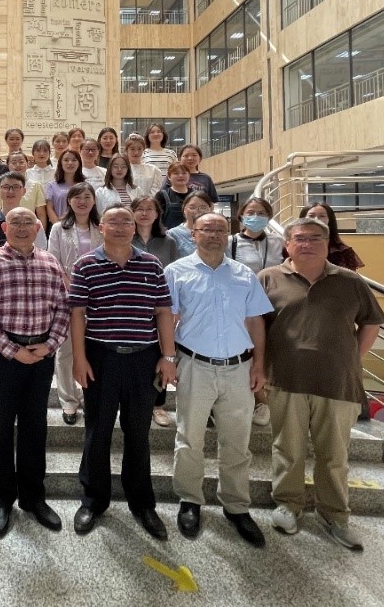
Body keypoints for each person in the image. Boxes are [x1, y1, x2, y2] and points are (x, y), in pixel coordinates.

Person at [259, 218, 384, 551]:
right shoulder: (268, 278)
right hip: (285, 379)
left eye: (316, 238)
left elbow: (371, 322)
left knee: (334, 455)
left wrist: (352, 358)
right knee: (288, 448)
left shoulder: (350, 281)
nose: (308, 244)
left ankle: (335, 515)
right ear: (287, 244)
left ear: (328, 244)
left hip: (337, 382)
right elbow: (255, 327)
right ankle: (288, 505)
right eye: (300, 238)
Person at [68, 205, 177, 540]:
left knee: (138, 434)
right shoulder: (85, 264)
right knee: (97, 432)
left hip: (144, 359)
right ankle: (93, 500)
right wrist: (79, 358)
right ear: (101, 227)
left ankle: (142, 503)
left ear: (134, 227)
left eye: (125, 221)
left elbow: (163, 311)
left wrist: (168, 356)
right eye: (112, 221)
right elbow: (77, 314)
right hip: (101, 358)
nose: (119, 226)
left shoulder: (152, 264)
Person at [166, 212, 273, 548]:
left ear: (228, 234)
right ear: (194, 234)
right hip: (194, 365)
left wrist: (259, 365)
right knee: (189, 438)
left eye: (220, 230)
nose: (213, 235)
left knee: (237, 442)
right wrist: (168, 359)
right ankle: (190, 500)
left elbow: (255, 322)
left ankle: (236, 505)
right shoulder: (176, 272)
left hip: (239, 368)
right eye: (206, 229)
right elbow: (168, 318)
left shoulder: (243, 274)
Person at [0, 207, 71, 537]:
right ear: (4, 227)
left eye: (29, 222)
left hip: (41, 353)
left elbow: (63, 308)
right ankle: (1, 500)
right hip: (2, 355)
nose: (23, 227)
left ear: (39, 227)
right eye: (16, 222)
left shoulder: (50, 262)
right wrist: (13, 350)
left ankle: (33, 498)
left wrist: (50, 344)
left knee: (35, 427)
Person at [47, 183, 101, 426]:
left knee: (96, 349)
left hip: (99, 295)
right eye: (77, 197)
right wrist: (73, 286)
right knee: (67, 349)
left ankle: (92, 396)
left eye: (87, 196)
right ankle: (69, 399)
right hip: (67, 294)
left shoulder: (101, 227)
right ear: (69, 201)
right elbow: (53, 261)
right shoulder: (59, 228)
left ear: (94, 201)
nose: (82, 201)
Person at [229, 197, 285, 429]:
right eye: (251, 212)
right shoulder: (231, 242)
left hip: (274, 304)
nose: (255, 217)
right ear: (241, 216)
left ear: (269, 217)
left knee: (270, 352)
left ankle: (269, 398)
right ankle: (260, 401)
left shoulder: (278, 242)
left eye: (261, 213)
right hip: (243, 307)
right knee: (249, 352)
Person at [130, 196, 180, 428]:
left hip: (160, 306)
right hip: (132, 306)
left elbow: (174, 274)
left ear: (157, 213)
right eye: (139, 209)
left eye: (149, 209)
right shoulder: (125, 238)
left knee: (162, 354)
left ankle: (158, 405)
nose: (144, 213)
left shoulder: (168, 241)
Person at [0, 172, 48, 258]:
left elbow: (41, 252)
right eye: (6, 187)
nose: (11, 191)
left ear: (24, 191)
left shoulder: (33, 222)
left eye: (16, 187)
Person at [300, 202, 364, 271]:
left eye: (322, 216)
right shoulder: (294, 248)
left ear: (329, 220)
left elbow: (349, 277)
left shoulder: (343, 252)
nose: (316, 220)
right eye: (311, 216)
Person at [0, 150, 48, 229]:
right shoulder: (0, 185)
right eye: (13, 163)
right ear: (7, 165)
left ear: (27, 164)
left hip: (29, 228)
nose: (18, 165)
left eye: (21, 162)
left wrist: (40, 232)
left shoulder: (36, 186)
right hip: (5, 228)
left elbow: (41, 214)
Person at [167, 191, 215, 257]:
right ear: (184, 209)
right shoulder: (173, 234)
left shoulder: (216, 232)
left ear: (209, 210)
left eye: (203, 208)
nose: (197, 211)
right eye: (192, 207)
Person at [44, 150, 85, 223]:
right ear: (60, 163)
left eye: (74, 160)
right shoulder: (51, 185)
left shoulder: (84, 186)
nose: (70, 163)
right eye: (66, 160)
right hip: (58, 225)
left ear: (79, 163)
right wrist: (58, 225)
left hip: (80, 225)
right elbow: (49, 207)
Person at [156, 162, 193, 230]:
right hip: (169, 235)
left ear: (189, 175)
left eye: (184, 173)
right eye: (176, 173)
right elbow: (156, 218)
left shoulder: (195, 195)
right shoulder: (161, 195)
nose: (181, 176)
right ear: (169, 177)